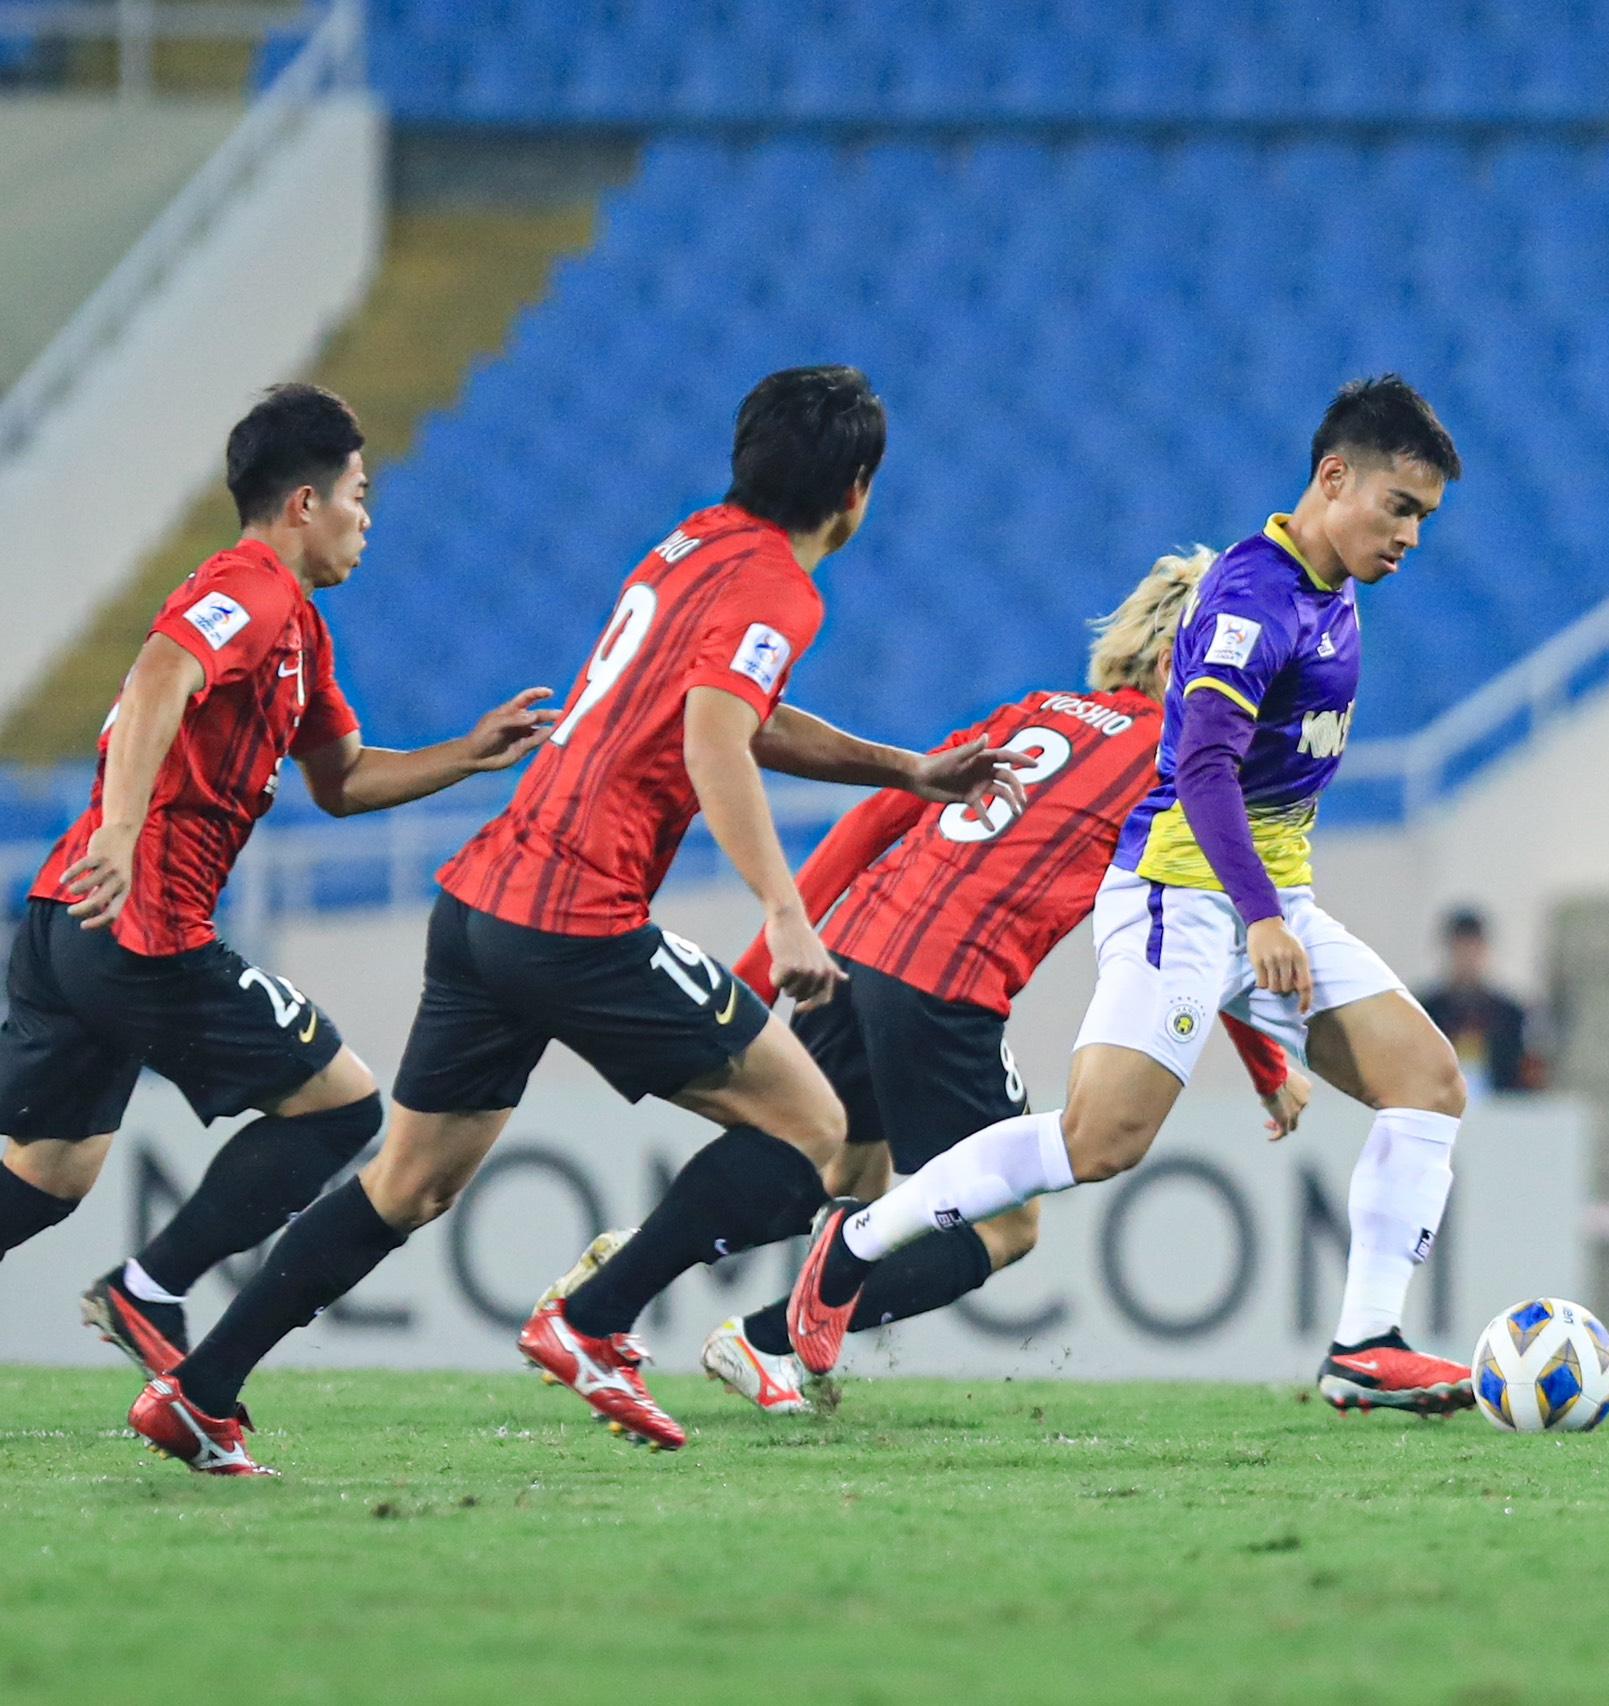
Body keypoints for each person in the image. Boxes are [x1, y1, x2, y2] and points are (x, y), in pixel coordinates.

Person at [128, 366, 1024, 1474]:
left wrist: (904, 768)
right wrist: (788, 915)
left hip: (482, 901)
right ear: (857, 490)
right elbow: (714, 739)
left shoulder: (690, 544)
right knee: (818, 1127)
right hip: (578, 912)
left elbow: (741, 712)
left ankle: (200, 1389)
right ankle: (595, 1319)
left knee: (408, 1181)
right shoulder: (782, 591)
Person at [781, 375, 1481, 1416]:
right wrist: (1259, 918)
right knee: (1097, 1143)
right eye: (1400, 507)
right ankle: (859, 1241)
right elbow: (1199, 770)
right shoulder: (1252, 597)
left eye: (1423, 516)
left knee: (1426, 1085)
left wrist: (1272, 933)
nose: (1412, 535)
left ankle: (1363, 1343)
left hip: (1268, 901)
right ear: (1333, 478)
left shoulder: (1331, 598)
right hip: (1179, 897)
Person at [556, 548, 1314, 1415]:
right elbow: (1202, 919)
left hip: (856, 950)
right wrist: (1268, 1066)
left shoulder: (1039, 711)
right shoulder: (1183, 765)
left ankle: (615, 1287)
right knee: (1006, 1223)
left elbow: (881, 812)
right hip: (945, 985)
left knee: (830, 1159)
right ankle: (762, 1339)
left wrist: (764, 966)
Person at [0, 384, 555, 1376]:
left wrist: (466, 755)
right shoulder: (247, 587)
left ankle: (148, 1285)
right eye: (358, 492)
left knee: (48, 1175)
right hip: (138, 921)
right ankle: (150, 1288)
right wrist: (124, 834)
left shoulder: (298, 629)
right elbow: (161, 673)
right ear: (304, 503)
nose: (367, 518)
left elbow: (342, 779)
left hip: (69, 919)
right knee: (341, 1108)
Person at [1417, 907, 1546, 1096]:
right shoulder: (1426, 1011)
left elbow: (1523, 1075)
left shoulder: (1510, 1014)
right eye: (1460, 950)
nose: (1467, 959)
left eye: (1473, 950)